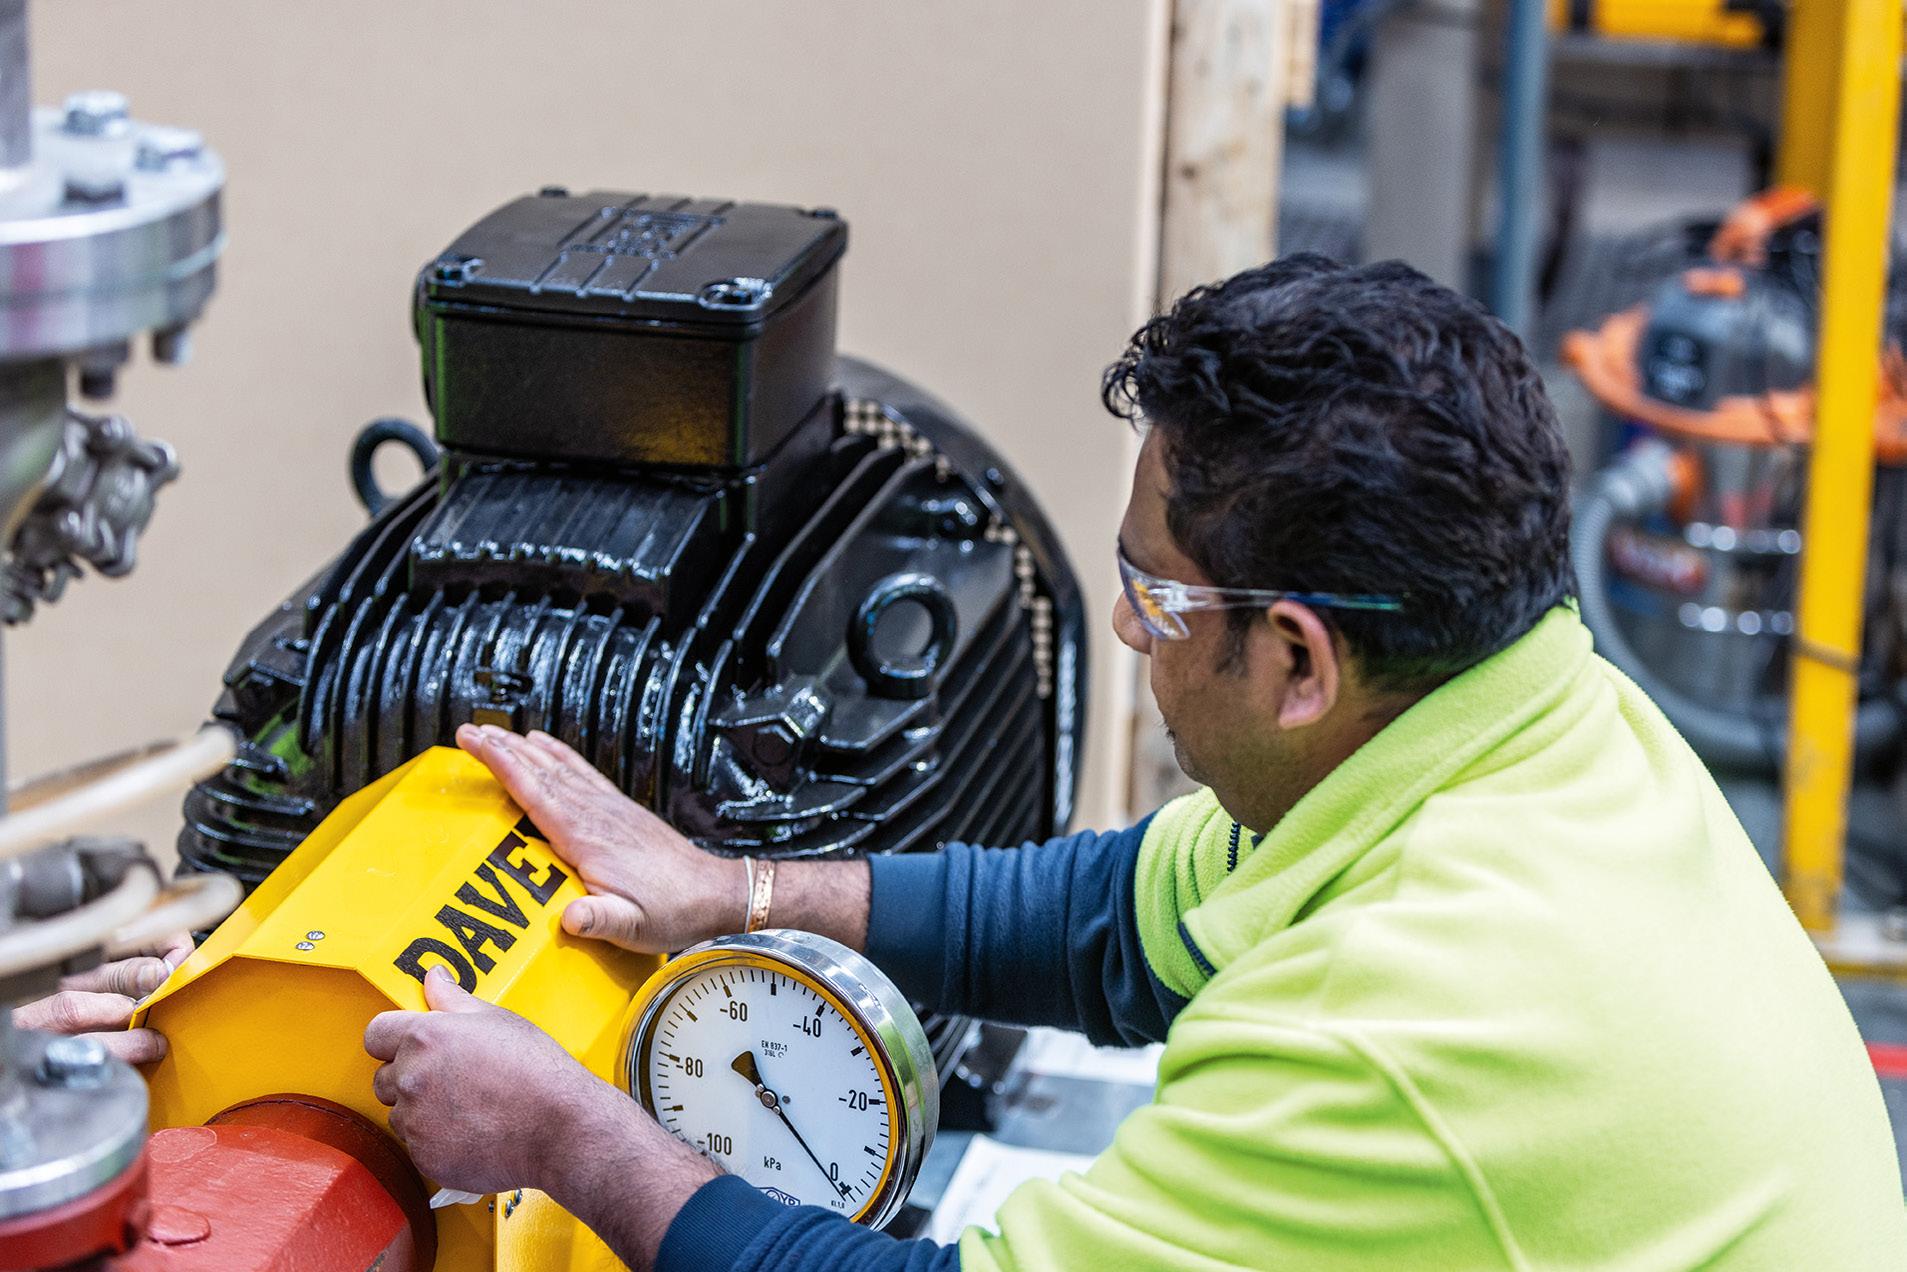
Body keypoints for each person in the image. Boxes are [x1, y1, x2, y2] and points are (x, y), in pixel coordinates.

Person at [40, 256, 1907, 1269]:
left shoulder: (1400, 1029)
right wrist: (730, 890)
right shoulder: (1535, 731)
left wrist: (567, 1136)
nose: (1130, 638)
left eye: (1155, 599)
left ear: (1301, 659)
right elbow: (1121, 920)